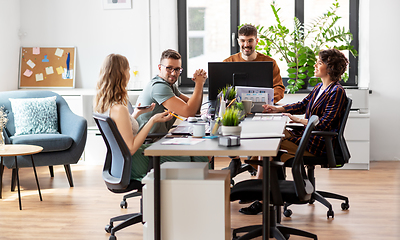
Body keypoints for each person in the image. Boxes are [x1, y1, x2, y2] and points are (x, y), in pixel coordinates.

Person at [239, 48, 349, 215]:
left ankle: (261, 198)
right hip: (308, 136)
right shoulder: (320, 87)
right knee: (271, 138)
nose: (315, 65)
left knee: (269, 146)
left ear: (330, 67)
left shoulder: (337, 92)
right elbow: (302, 104)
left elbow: (324, 125)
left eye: (319, 63)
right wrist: (278, 109)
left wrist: (298, 119)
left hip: (317, 143)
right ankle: (262, 191)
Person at [94, 53, 209, 181]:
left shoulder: (106, 104)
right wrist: (153, 119)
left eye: (177, 69)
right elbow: (130, 148)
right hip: (136, 160)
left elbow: (122, 131)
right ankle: (207, 192)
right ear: (121, 75)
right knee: (191, 156)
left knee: (195, 153)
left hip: (123, 161)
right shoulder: (120, 108)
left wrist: (136, 113)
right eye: (127, 70)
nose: (129, 74)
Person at [136, 49, 207, 133]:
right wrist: (199, 84)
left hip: (158, 139)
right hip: (149, 143)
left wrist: (200, 83)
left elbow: (195, 110)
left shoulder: (170, 85)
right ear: (159, 68)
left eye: (177, 69)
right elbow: (189, 112)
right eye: (169, 68)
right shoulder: (159, 87)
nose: (173, 73)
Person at [223, 24, 285, 103]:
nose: (246, 45)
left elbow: (279, 88)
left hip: (264, 106)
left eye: (250, 40)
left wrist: (266, 100)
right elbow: (222, 90)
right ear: (238, 41)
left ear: (256, 41)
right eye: (243, 40)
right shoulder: (228, 63)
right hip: (235, 108)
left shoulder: (270, 63)